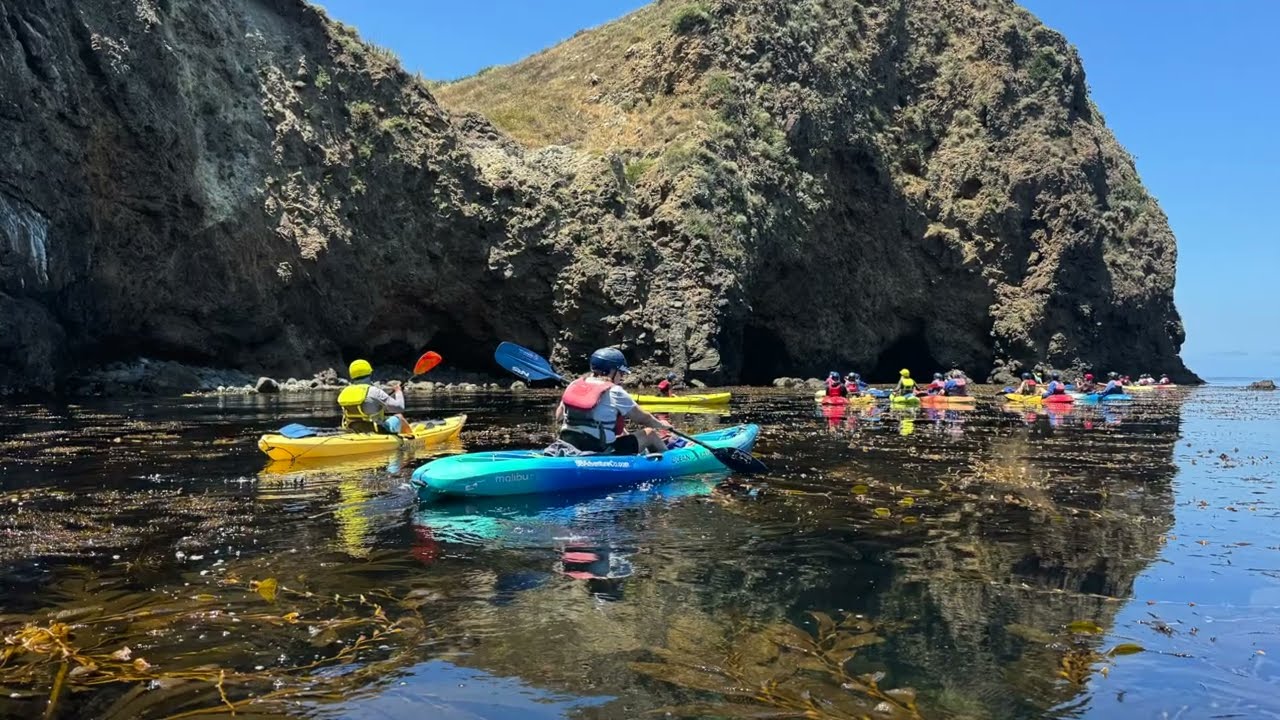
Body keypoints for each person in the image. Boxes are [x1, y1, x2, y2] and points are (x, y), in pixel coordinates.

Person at [556, 347, 671, 455]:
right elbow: (643, 418)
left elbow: (559, 416)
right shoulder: (615, 391)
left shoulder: (574, 384)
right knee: (650, 434)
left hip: (569, 443)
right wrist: (661, 424)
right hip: (599, 448)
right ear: (611, 371)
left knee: (619, 434)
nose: (622, 377)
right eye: (621, 372)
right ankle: (668, 463)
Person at [337, 359, 412, 436]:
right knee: (399, 417)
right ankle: (411, 439)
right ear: (370, 373)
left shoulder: (345, 391)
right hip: (376, 430)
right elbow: (399, 408)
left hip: (352, 429)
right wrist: (398, 392)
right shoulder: (374, 391)